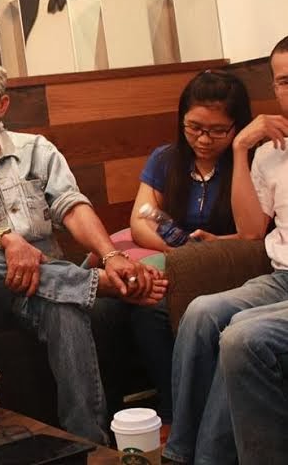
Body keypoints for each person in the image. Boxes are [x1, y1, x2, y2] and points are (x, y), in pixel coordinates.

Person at [0, 60, 167, 445]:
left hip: (38, 286)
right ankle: (91, 283)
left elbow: (72, 206)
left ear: (2, 105)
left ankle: (89, 444)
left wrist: (111, 255)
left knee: (66, 308)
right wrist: (6, 239)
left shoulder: (36, 150)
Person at [91, 70, 253, 436]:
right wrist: (178, 251)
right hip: (177, 259)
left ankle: (173, 413)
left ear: (237, 126)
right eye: (194, 127)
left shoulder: (248, 161)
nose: (204, 139)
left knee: (151, 303)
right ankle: (109, 419)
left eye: (218, 131)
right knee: (103, 307)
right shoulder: (167, 158)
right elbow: (139, 221)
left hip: (228, 263)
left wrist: (210, 248)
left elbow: (255, 234)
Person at [163, 35, 288, 464]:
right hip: (281, 279)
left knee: (241, 336)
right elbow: (251, 231)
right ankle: (180, 454)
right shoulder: (268, 153)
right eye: (283, 81)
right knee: (201, 312)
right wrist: (240, 147)